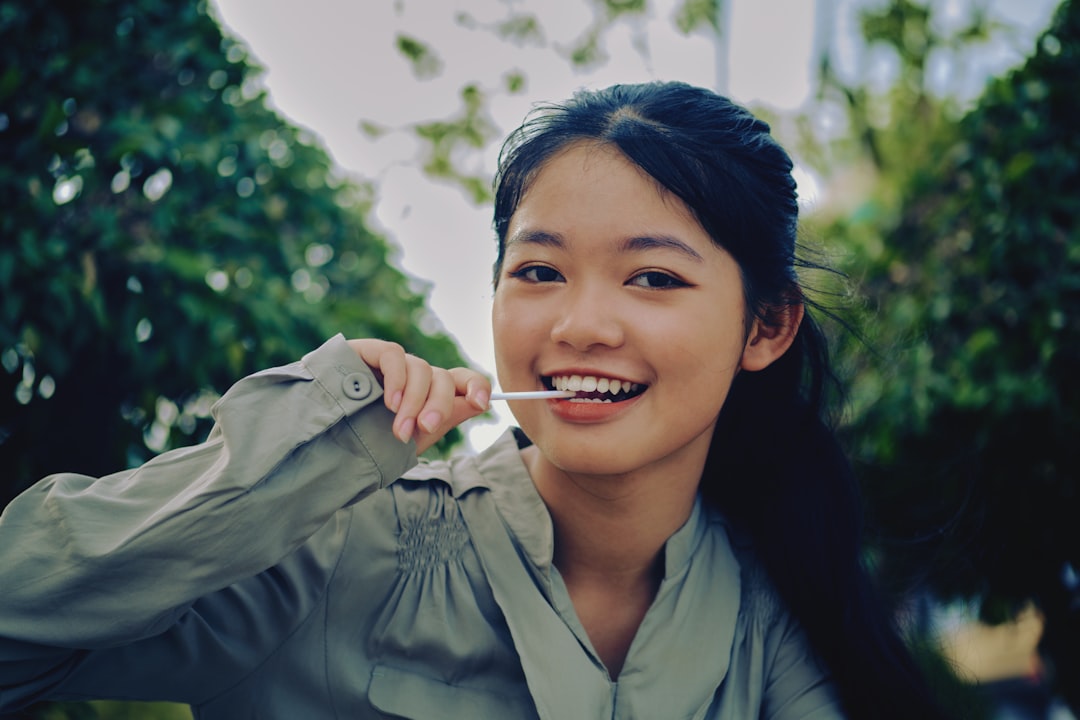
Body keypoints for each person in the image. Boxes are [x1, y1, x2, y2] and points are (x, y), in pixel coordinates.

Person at [0, 82, 948, 719]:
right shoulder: (336, 549)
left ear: (765, 328)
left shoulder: (776, 615)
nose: (580, 324)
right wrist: (299, 442)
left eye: (653, 279)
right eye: (538, 269)